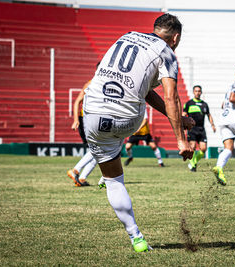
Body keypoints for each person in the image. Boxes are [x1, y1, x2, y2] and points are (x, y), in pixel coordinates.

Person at [82, 14, 194, 252]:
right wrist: (181, 140)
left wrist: (178, 120)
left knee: (114, 181)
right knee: (128, 115)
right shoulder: (166, 51)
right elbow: (171, 96)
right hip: (127, 119)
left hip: (91, 113)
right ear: (175, 37)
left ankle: (136, 237)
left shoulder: (127, 36)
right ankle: (112, 161)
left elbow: (142, 88)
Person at [67, 79, 97, 187]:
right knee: (98, 149)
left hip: (94, 119)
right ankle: (75, 170)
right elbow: (77, 101)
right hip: (87, 119)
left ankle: (82, 179)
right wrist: (76, 120)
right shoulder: (90, 84)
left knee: (98, 153)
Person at [183, 85, 216, 172]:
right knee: (192, 147)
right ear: (193, 92)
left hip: (201, 129)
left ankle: (193, 162)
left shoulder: (204, 104)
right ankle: (193, 165)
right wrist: (182, 125)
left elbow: (209, 115)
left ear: (201, 92)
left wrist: (212, 125)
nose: (197, 93)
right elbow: (183, 115)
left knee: (203, 149)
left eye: (199, 91)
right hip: (192, 129)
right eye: (196, 91)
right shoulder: (189, 103)